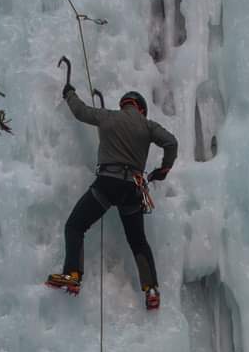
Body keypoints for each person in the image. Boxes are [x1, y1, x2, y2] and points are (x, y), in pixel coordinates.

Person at [46, 84, 177, 310]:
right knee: (138, 242)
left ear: (125, 104)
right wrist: (163, 170)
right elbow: (171, 142)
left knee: (75, 226)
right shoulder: (147, 125)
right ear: (141, 109)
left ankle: (72, 275)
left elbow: (81, 112)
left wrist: (69, 93)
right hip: (133, 190)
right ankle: (151, 289)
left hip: (107, 185)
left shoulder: (108, 117)